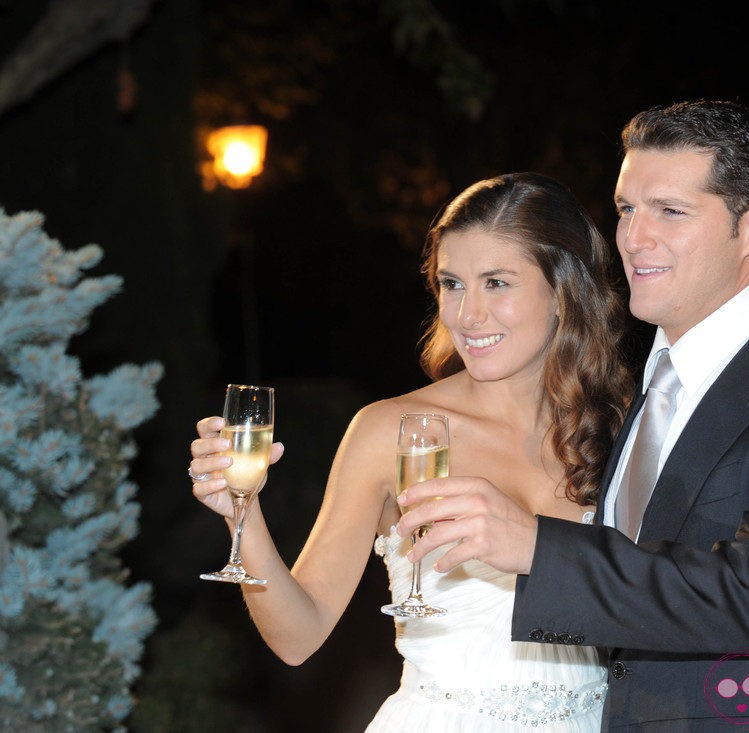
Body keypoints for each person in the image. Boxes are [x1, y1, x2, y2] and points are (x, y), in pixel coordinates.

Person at [399, 101, 749, 731]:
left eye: (670, 211)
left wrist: (535, 545)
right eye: (626, 210)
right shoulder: (648, 382)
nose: (633, 238)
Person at [187, 171, 636, 730]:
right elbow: (297, 638)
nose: (467, 315)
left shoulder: (623, 428)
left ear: (564, 291)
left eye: (496, 283)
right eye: (452, 284)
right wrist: (242, 517)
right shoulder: (391, 431)